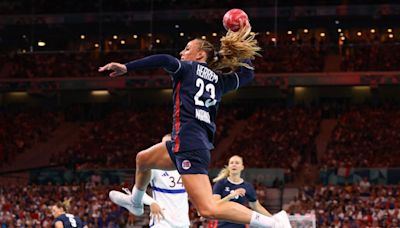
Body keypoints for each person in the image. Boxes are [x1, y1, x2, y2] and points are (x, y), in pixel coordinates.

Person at [99, 24, 291, 227]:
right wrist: (241, 40)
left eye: (187, 49)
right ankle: (136, 202)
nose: (182, 52)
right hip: (186, 142)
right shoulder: (218, 80)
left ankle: (273, 222)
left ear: (200, 55)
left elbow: (164, 59)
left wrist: (127, 67)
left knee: (208, 209)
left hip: (189, 144)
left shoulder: (187, 68)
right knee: (143, 159)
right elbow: (248, 74)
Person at [110, 134, 190, 228]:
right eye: (162, 145)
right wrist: (152, 202)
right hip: (161, 222)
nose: (164, 149)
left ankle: (133, 202)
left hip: (183, 223)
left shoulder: (186, 167)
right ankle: (134, 202)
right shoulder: (155, 168)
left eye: (167, 145)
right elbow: (140, 188)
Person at [212, 155, 273, 227]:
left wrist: (273, 219)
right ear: (228, 167)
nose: (234, 164)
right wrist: (230, 196)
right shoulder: (220, 184)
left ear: (242, 167)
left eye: (237, 163)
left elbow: (257, 207)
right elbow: (214, 205)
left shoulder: (247, 186)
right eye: (231, 163)